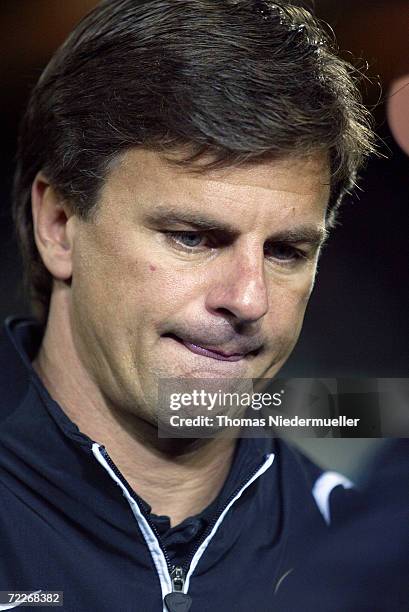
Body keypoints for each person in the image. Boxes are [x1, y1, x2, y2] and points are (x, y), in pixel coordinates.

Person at [0, 1, 374, 610]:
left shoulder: (365, 559)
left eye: (285, 251)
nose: (248, 300)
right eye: (193, 237)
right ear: (60, 224)